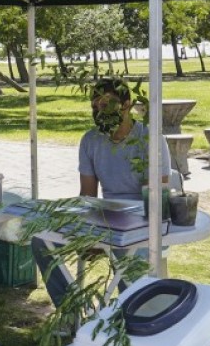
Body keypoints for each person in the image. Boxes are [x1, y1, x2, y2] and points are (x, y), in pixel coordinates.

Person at [32, 77, 171, 306]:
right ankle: (69, 309)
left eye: (105, 105)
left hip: (144, 223)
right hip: (105, 219)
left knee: (128, 259)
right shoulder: (90, 140)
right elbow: (87, 197)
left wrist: (109, 235)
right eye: (94, 106)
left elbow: (156, 201)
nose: (98, 111)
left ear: (126, 105)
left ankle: (132, 314)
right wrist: (88, 233)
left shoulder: (150, 139)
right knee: (41, 239)